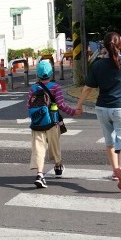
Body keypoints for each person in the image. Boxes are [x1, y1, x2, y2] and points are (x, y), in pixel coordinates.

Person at [75, 32, 121, 191]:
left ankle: (115, 171)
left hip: (102, 109)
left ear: (104, 47)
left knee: (110, 141)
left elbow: (87, 88)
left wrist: (79, 105)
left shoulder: (97, 65)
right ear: (118, 45)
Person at [28, 60, 76, 188]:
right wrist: (73, 112)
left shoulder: (33, 88)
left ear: (37, 74)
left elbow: (29, 106)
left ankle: (39, 174)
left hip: (37, 123)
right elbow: (61, 105)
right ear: (51, 73)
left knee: (39, 148)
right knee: (54, 146)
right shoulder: (55, 87)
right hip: (52, 123)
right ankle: (58, 167)